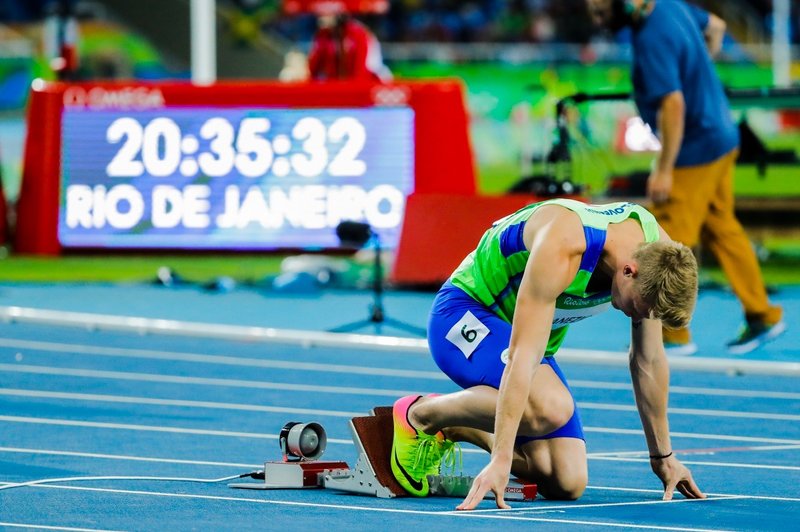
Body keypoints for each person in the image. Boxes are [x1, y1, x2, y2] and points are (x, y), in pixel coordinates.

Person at [390, 198, 706, 509]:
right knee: (552, 407)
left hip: (523, 336)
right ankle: (420, 415)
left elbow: (648, 360)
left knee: (565, 479)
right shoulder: (564, 244)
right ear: (628, 270)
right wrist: (500, 461)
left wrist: (662, 457)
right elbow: (522, 356)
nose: (640, 317)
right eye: (640, 308)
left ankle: (457, 425)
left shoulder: (659, 255)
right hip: (463, 316)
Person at [586, 0, 785, 356]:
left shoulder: (651, 36)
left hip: (694, 149)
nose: (598, 19)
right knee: (721, 227)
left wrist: (663, 169)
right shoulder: (671, 7)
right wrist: (698, 70)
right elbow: (718, 27)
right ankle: (762, 313)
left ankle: (670, 333)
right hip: (721, 133)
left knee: (668, 238)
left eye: (601, 11)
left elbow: (673, 105)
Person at [306, 12, 392, 82]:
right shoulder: (322, 35)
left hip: (360, 81)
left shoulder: (358, 33)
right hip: (332, 83)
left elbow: (363, 66)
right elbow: (314, 66)